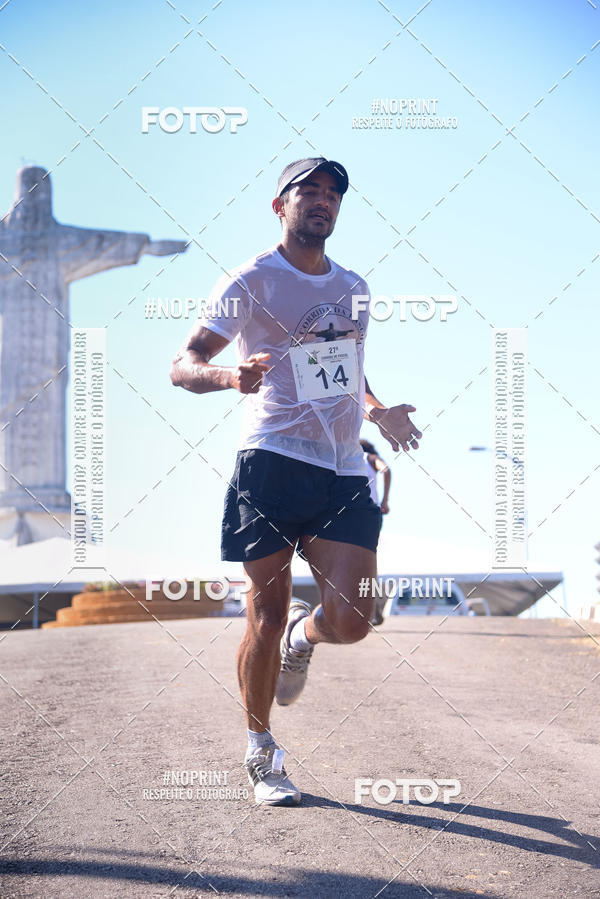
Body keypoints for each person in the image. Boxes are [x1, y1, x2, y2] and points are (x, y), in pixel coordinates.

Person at [170, 157, 422, 806]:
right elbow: (184, 363)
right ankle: (262, 751)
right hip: (273, 460)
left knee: (354, 616)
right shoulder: (252, 279)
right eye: (308, 190)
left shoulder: (355, 288)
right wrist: (231, 378)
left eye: (333, 193)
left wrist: (377, 410)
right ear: (278, 205)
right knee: (266, 606)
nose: (323, 200)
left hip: (342, 467)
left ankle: (300, 641)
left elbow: (343, 369)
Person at [360, 438, 391, 626]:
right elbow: (386, 469)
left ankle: (371, 606)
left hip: (352, 513)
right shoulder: (370, 458)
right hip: (371, 512)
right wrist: (385, 500)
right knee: (368, 560)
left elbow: (385, 469)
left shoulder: (356, 458)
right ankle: (373, 606)